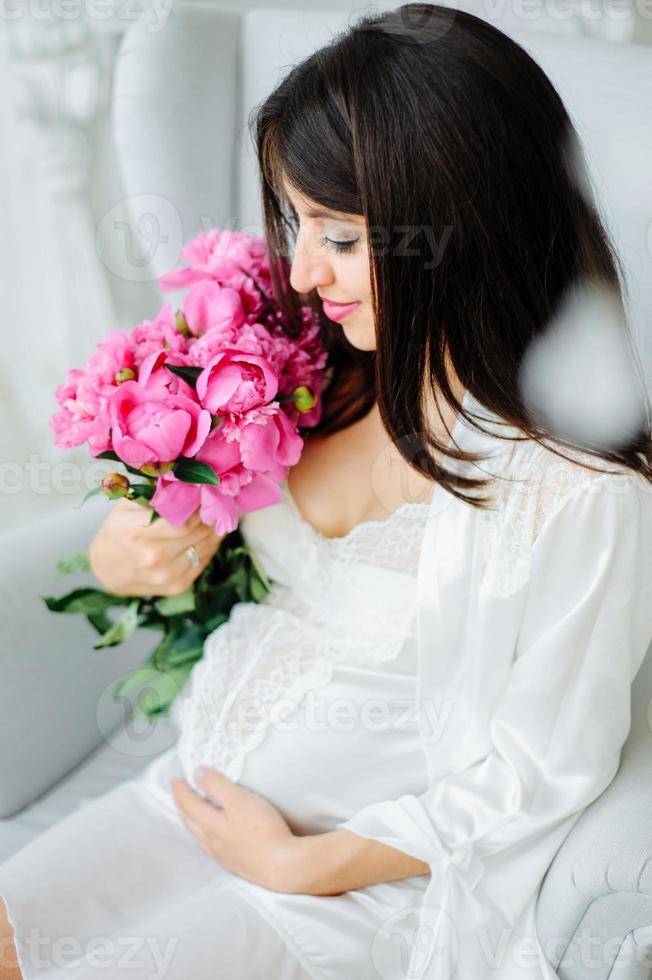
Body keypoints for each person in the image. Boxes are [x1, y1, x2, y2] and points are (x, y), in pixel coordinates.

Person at [2, 3, 652, 979]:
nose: (303, 272)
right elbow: (176, 538)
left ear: (458, 224)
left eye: (339, 237)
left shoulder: (577, 488)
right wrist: (122, 550)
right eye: (295, 222)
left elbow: (545, 764)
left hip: (350, 885)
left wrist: (303, 860)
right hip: (188, 793)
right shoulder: (303, 367)